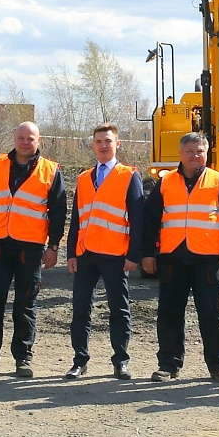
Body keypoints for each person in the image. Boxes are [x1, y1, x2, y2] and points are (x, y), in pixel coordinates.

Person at [141, 132, 219, 383]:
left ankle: (218, 365)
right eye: (190, 151)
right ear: (180, 154)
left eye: (200, 151)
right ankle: (168, 365)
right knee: (169, 312)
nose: (195, 156)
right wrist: (147, 254)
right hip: (172, 257)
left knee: (213, 313)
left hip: (207, 259)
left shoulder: (218, 181)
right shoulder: (165, 184)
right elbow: (150, 222)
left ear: (207, 153)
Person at [0, 121, 67, 379]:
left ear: (39, 141)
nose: (25, 142)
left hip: (31, 249)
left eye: (30, 138)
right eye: (21, 137)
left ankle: (23, 359)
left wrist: (54, 246)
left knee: (25, 305)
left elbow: (59, 213)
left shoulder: (50, 171)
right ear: (14, 138)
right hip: (0, 245)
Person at [65, 123, 144, 381]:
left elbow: (138, 219)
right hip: (86, 254)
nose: (103, 145)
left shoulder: (129, 175)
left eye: (108, 141)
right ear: (93, 144)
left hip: (115, 254)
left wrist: (134, 255)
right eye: (99, 141)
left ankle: (120, 360)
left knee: (118, 309)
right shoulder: (83, 178)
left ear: (117, 144)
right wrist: (71, 254)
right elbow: (77, 219)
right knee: (80, 309)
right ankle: (80, 360)